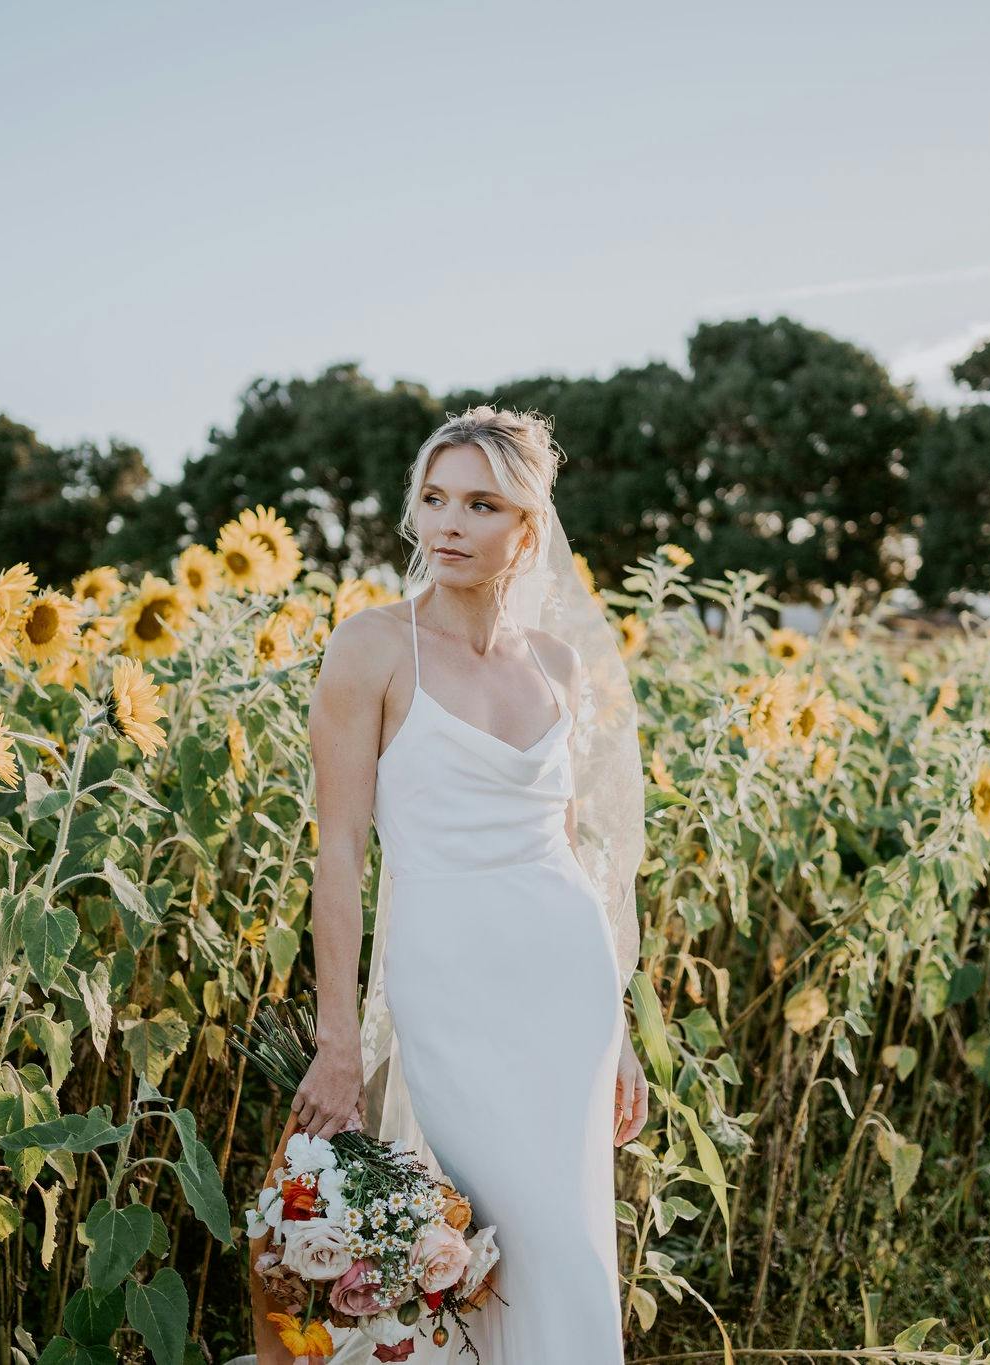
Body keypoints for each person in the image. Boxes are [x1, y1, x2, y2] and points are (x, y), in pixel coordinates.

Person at [280, 405, 648, 1363]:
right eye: (434, 497)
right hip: (447, 977)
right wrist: (336, 1040)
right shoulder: (371, 649)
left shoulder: (559, 666)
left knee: (565, 1241)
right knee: (485, 1234)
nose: (448, 523)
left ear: (528, 528)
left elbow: (571, 852)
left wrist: (618, 1030)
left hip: (567, 982)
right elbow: (341, 855)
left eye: (482, 504)